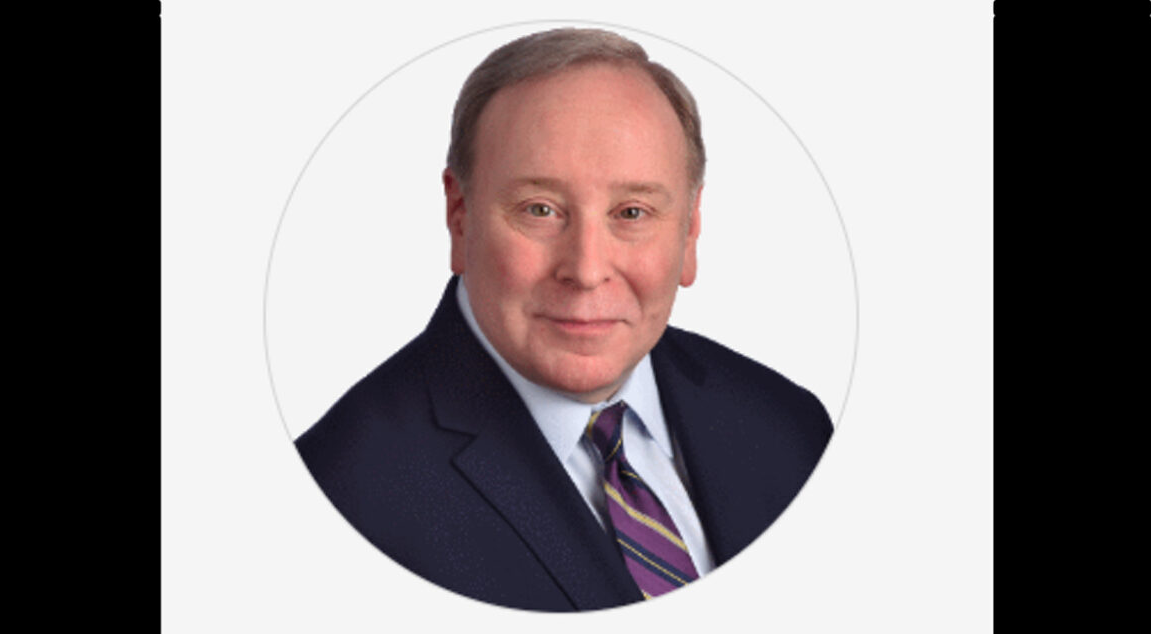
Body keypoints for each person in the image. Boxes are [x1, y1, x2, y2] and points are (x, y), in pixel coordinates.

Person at [296, 27, 833, 611]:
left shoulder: (792, 428)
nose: (586, 269)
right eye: (540, 210)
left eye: (632, 213)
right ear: (459, 215)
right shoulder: (337, 498)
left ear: (691, 229)